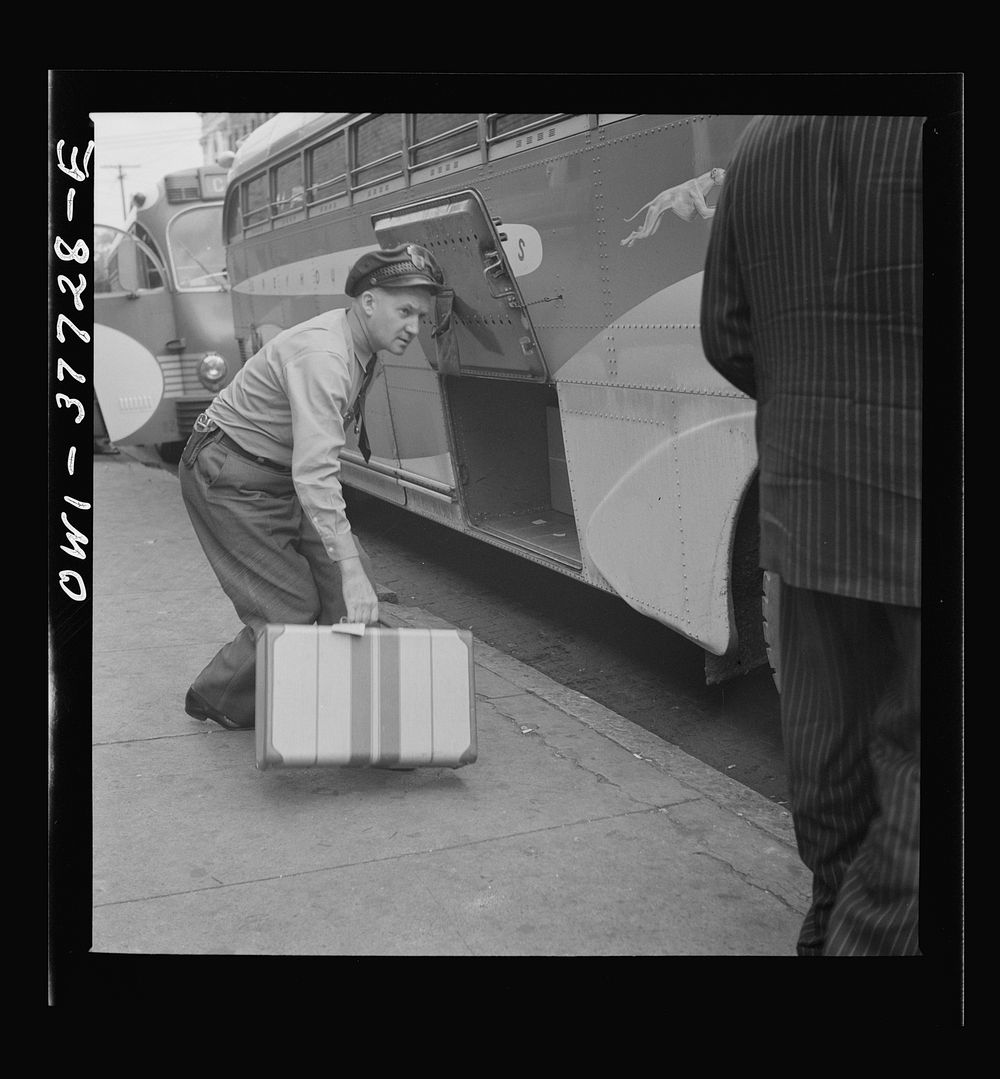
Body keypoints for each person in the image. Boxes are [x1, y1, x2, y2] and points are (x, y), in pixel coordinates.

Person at [700, 116, 923, 956]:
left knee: (829, 757)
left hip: (803, 510)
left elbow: (725, 331)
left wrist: (806, 414)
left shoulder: (760, 142)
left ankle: (830, 921)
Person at [178, 243, 446, 731]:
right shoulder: (325, 355)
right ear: (368, 302)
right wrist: (348, 566)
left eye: (420, 316)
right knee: (287, 612)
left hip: (276, 475)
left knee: (349, 590)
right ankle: (221, 697)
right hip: (228, 474)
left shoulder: (359, 341)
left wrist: (350, 570)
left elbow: (311, 465)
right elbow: (316, 472)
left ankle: (370, 716)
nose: (414, 326)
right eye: (404, 311)